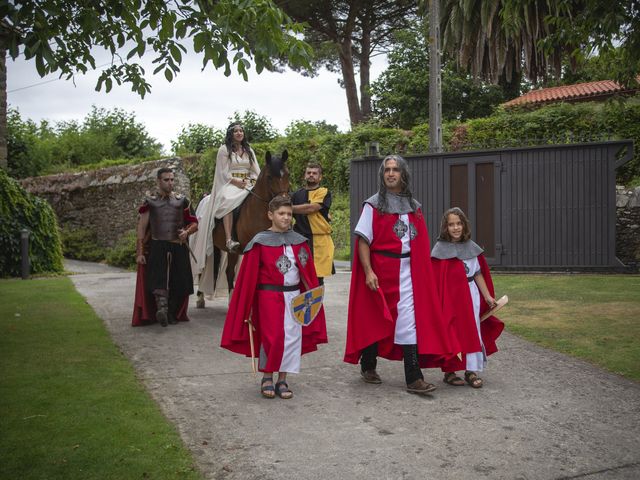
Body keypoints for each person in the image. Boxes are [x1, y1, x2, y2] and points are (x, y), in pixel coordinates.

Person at [344, 155, 455, 395]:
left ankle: (414, 377)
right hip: (381, 272)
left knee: (408, 323)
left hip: (408, 274)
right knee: (376, 318)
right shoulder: (372, 205)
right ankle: (368, 364)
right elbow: (363, 240)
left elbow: (421, 244)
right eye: (387, 170)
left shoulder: (414, 208)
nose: (390, 174)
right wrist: (368, 271)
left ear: (403, 174)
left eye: (395, 170)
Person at [221, 195, 328, 399]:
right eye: (281, 214)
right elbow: (248, 277)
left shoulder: (299, 242)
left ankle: (282, 379)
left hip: (294, 297)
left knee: (291, 338)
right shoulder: (260, 242)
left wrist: (310, 297)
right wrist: (248, 306)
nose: (286, 218)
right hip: (268, 296)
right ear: (270, 215)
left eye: (289, 214)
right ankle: (267, 376)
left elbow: (308, 275)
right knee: (272, 337)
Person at [431, 207, 504, 388]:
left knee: (472, 331)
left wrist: (487, 296)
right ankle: (449, 371)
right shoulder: (440, 249)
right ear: (445, 227)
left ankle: (471, 370)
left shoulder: (471, 247)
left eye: (458, 224)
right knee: (451, 331)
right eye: (451, 224)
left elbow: (478, 273)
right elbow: (436, 279)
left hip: (470, 296)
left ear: (464, 225)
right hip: (451, 299)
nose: (455, 228)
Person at [132, 167, 198, 327]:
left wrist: (186, 232)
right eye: (166, 180)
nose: (170, 183)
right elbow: (142, 227)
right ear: (158, 181)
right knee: (157, 279)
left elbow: (195, 223)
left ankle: (170, 312)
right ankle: (161, 309)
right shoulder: (150, 202)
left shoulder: (182, 200)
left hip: (178, 245)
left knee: (181, 280)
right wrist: (140, 251)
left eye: (172, 179)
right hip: (157, 245)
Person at [211, 122, 260, 252]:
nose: (239, 133)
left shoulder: (249, 150)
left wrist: (253, 180)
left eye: (241, 131)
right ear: (230, 134)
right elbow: (222, 171)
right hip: (230, 183)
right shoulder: (224, 149)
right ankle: (229, 239)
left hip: (248, 182)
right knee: (228, 199)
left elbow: (256, 169)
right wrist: (236, 181)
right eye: (236, 131)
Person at [291, 162, 335, 283]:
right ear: (305, 176)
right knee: (298, 276)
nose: (311, 175)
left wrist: (289, 207)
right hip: (299, 239)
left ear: (320, 177)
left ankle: (318, 303)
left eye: (314, 173)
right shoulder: (296, 195)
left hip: (319, 240)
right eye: (308, 173)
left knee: (317, 278)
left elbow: (312, 208)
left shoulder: (324, 192)